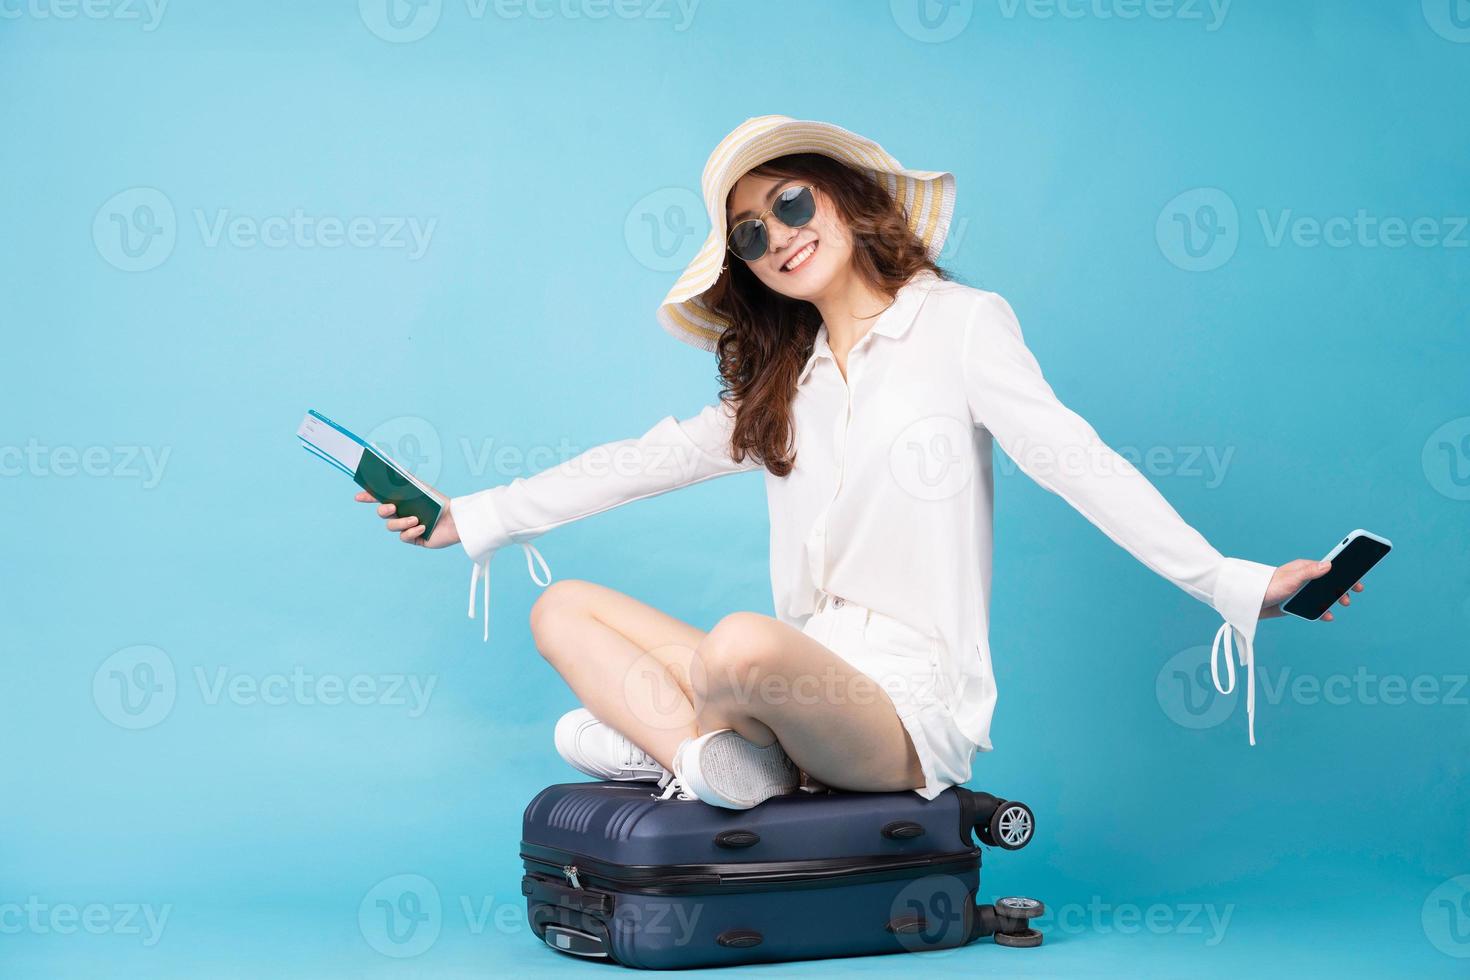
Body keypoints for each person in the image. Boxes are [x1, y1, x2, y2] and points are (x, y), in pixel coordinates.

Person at [358, 115, 1367, 810]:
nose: (778, 236)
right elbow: (643, 460)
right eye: (750, 233)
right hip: (807, 672)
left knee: (734, 650)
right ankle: (719, 756)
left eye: (791, 204)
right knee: (560, 607)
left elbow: (1077, 460)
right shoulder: (782, 381)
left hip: (899, 709)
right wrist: (465, 515)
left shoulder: (962, 326)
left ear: (841, 197)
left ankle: (677, 742)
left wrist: (1238, 583)